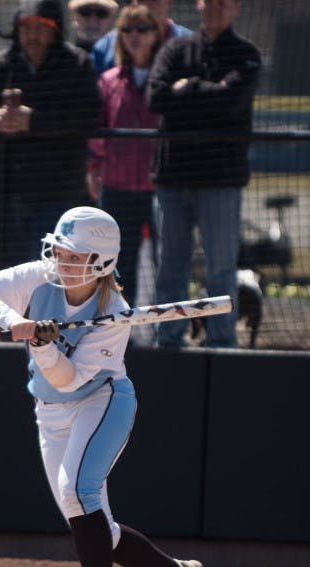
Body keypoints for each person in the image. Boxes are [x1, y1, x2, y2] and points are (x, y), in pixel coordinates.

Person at [0, 206, 215, 567]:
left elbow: (69, 377)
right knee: (91, 522)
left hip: (101, 401)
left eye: (75, 257)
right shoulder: (39, 275)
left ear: (101, 262)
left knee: (78, 492)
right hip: (50, 410)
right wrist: (16, 321)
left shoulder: (116, 311)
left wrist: (42, 346)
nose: (63, 263)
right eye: (60, 252)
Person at [148, 0, 260, 349]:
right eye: (208, 3)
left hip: (220, 182)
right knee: (171, 267)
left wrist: (187, 88)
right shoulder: (175, 48)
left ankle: (221, 342)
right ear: (198, 6)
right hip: (172, 180)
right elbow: (157, 98)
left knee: (221, 270)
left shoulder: (246, 54)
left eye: (222, 4)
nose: (213, 9)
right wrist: (210, 92)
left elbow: (231, 101)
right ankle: (168, 340)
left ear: (235, 8)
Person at [0, 0, 99, 272]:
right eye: (25, 28)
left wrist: (33, 120)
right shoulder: (2, 65)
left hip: (58, 192)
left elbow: (88, 116)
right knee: (12, 273)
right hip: (9, 190)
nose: (32, 35)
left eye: (40, 28)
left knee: (56, 272)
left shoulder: (75, 64)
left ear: (55, 30)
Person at [87, 4, 163, 307]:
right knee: (118, 268)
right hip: (117, 187)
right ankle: (119, 335)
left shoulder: (165, 77)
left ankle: (166, 336)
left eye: (142, 28)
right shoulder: (109, 81)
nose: (134, 36)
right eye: (127, 29)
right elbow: (97, 131)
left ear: (155, 34)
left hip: (160, 187)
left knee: (166, 263)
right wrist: (93, 166)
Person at [92, 0, 190, 76]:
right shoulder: (104, 47)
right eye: (141, 0)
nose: (146, 6)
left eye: (153, 0)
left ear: (169, 2)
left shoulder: (189, 44)